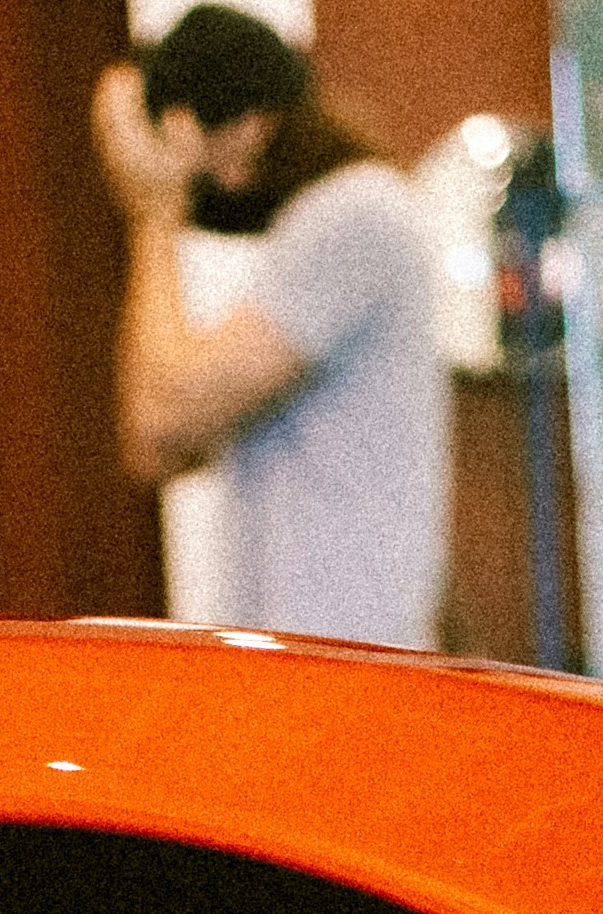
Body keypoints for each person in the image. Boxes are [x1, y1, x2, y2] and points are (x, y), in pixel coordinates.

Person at [92, 9, 450, 649]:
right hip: (320, 656)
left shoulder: (355, 213)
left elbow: (159, 420)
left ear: (244, 128)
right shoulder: (330, 222)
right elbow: (156, 447)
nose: (208, 182)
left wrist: (152, 212)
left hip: (343, 665)